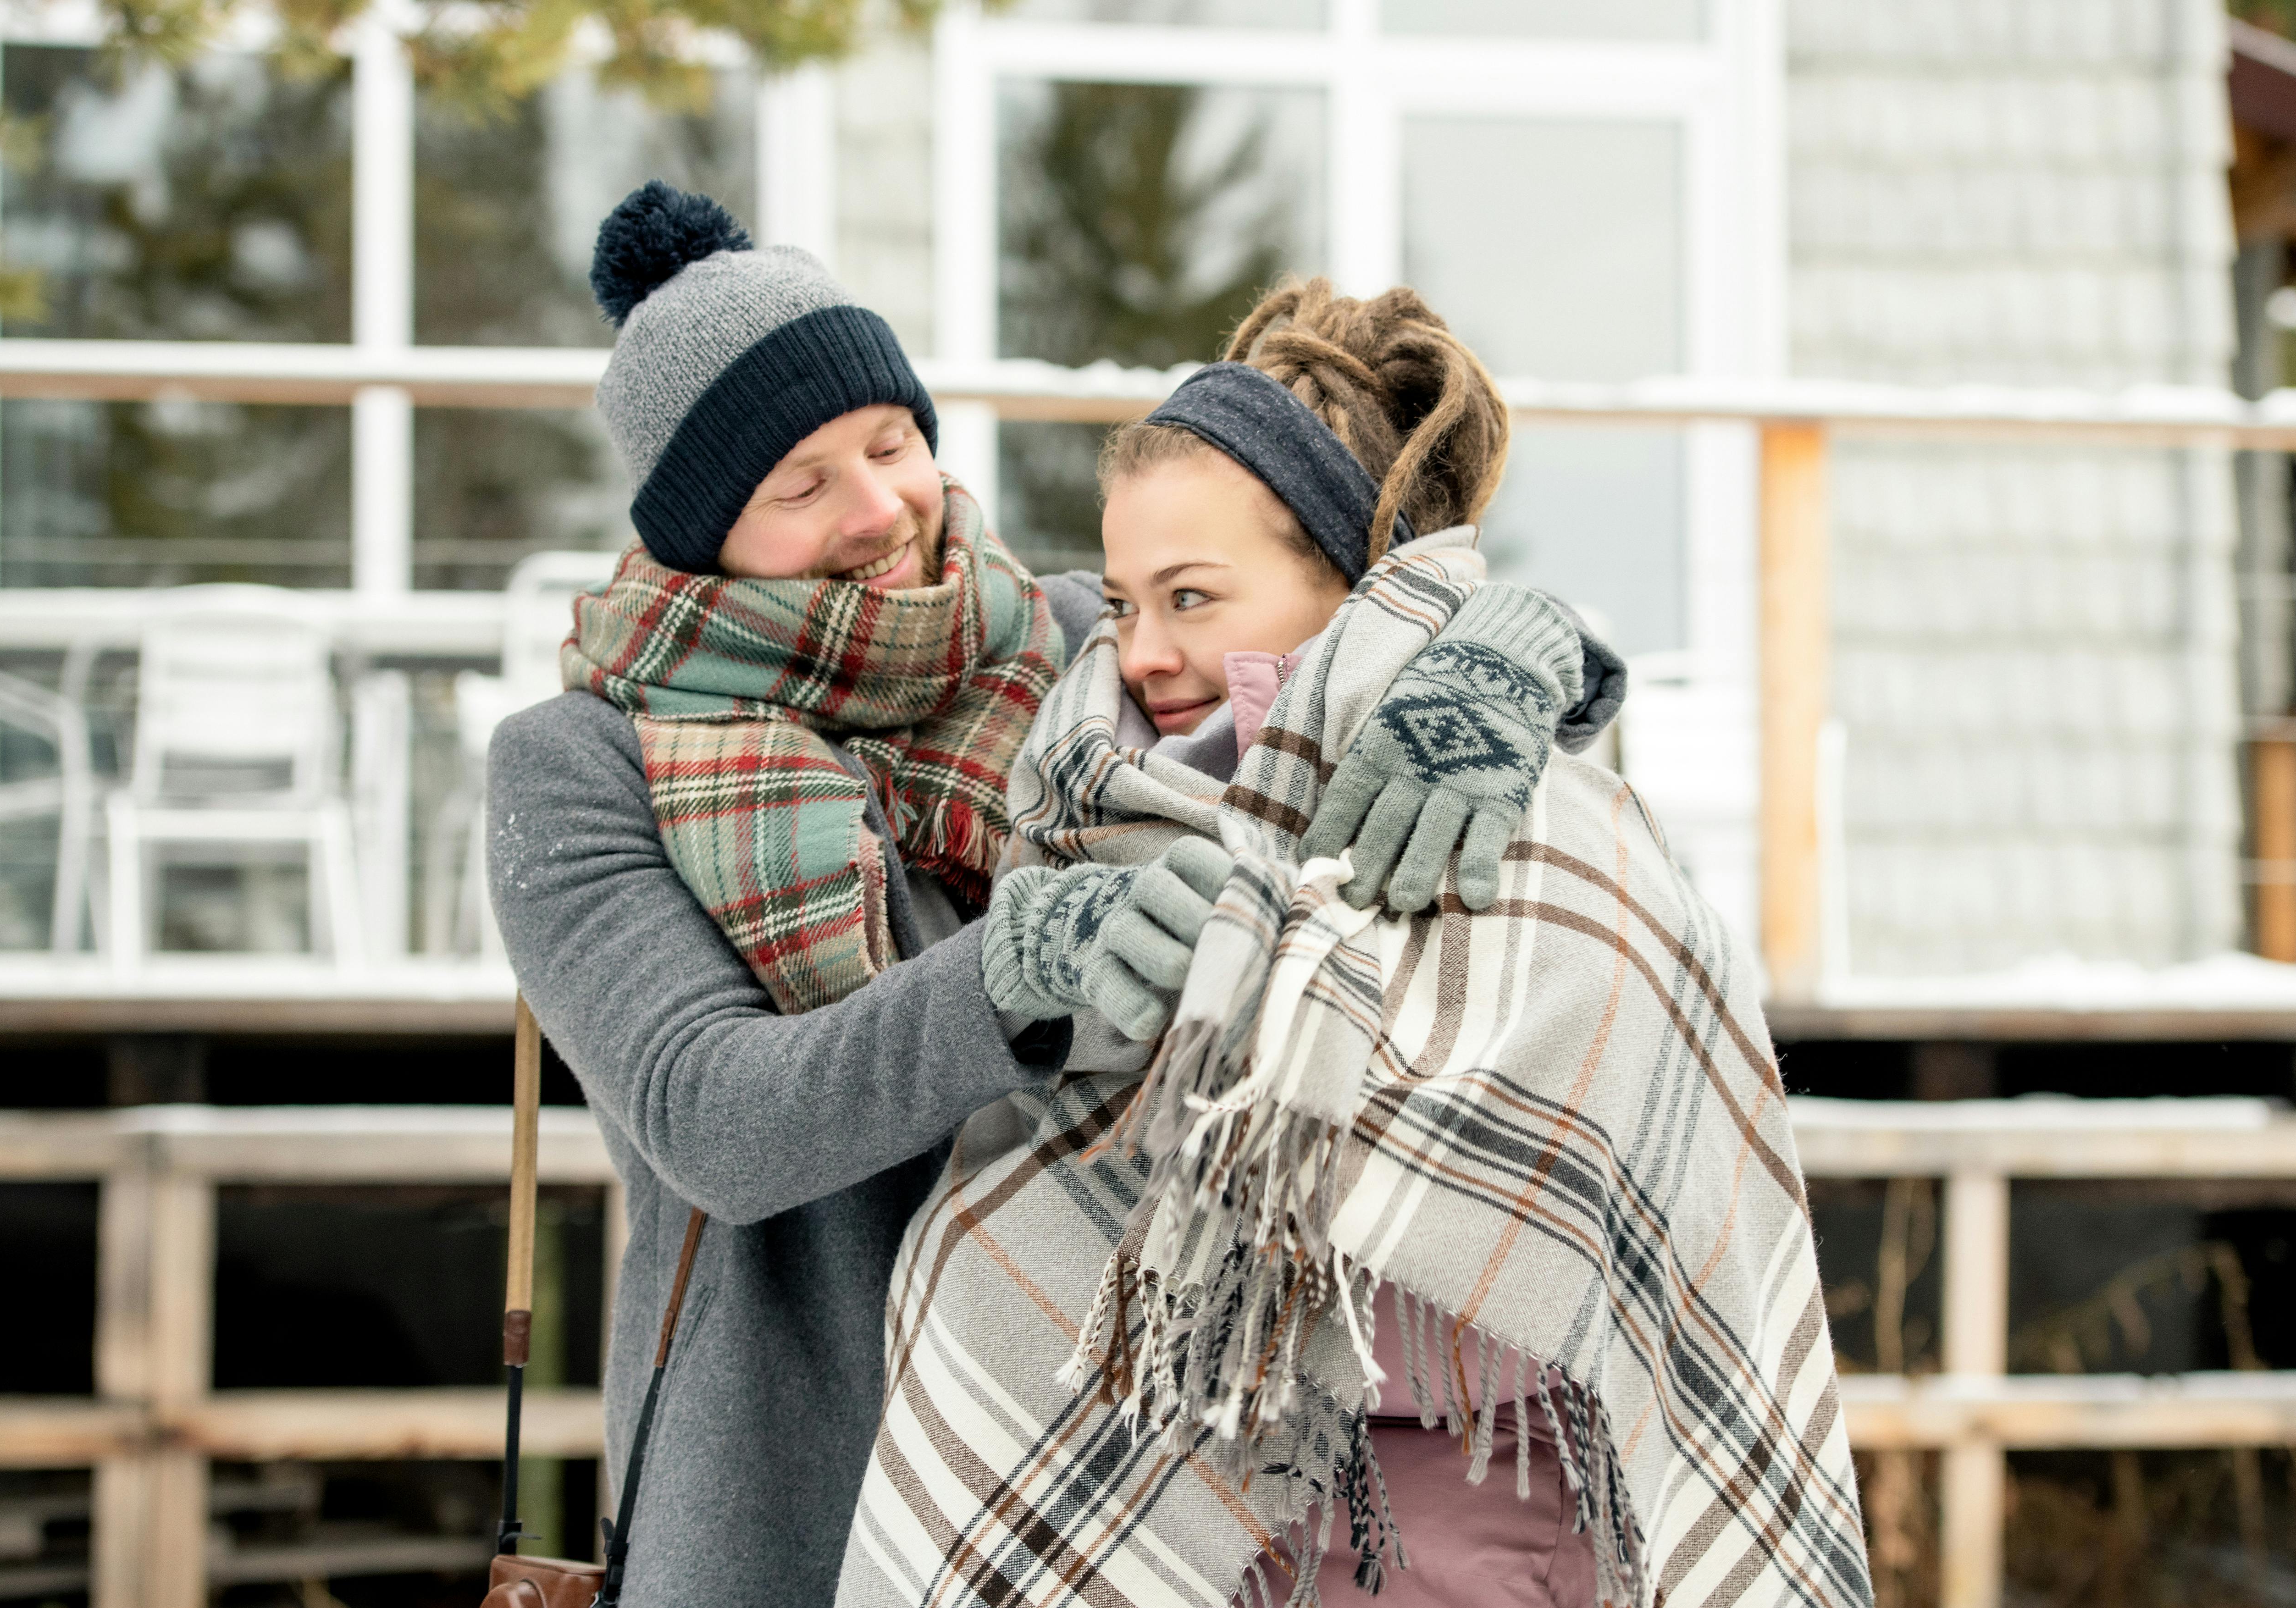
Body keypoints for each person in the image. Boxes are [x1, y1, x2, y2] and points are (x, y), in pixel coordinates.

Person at [487, 187, 1598, 1608]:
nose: (879, 507)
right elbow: (714, 1117)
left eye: (887, 445)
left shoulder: (1078, 640)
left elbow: (1334, 624)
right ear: (703, 528)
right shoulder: (581, 766)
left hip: (1111, 1482)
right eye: (801, 484)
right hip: (800, 1495)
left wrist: (1513, 649)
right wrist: (1014, 971)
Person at [841, 281, 1869, 1608]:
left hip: (1472, 1533)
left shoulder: (1548, 838)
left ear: (1346, 583)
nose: (1138, 650)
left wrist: (1524, 634)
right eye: (1123, 599)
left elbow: (1590, 1246)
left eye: (1193, 598)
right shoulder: (1090, 802)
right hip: (1168, 1526)